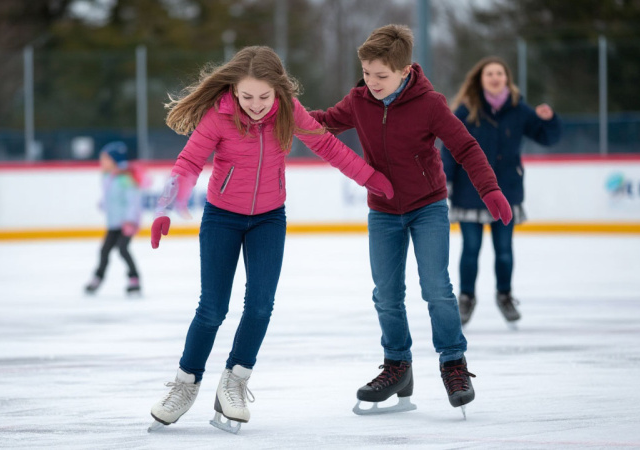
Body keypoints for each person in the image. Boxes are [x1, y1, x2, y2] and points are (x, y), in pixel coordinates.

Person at [147, 46, 394, 433]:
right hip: (221, 219)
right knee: (212, 309)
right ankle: (185, 384)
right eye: (247, 97)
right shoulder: (220, 115)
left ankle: (234, 381)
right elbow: (189, 162)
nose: (256, 105)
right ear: (234, 92)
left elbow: (327, 145)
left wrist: (369, 177)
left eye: (264, 97)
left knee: (260, 306)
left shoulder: (288, 111)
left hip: (268, 220)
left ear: (277, 91)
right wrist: (165, 206)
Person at [308, 25, 511, 416]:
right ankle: (397, 366)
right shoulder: (359, 100)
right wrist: (285, 115)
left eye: (380, 75)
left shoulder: (429, 104)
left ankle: (453, 363)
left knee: (437, 289)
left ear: (404, 71)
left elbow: (465, 147)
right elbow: (325, 121)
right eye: (366, 73)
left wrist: (489, 190)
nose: (371, 83)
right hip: (382, 211)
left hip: (427, 207)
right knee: (386, 294)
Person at [442, 57, 562, 327]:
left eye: (499, 73)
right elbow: (448, 146)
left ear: (506, 78)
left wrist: (550, 120)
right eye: (489, 74)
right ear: (480, 80)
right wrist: (446, 180)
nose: (495, 78)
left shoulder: (519, 110)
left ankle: (505, 296)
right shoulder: (466, 110)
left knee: (504, 250)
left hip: (506, 191)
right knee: (470, 249)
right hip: (469, 191)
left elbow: (547, 138)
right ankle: (466, 298)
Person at [84, 141, 146, 296]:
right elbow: (109, 196)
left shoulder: (126, 179)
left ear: (115, 161)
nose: (101, 162)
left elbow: (133, 201)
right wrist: (103, 204)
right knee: (104, 251)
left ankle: (134, 279)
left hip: (127, 223)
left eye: (105, 159)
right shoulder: (107, 177)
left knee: (123, 249)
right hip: (113, 222)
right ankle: (97, 278)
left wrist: (131, 221)